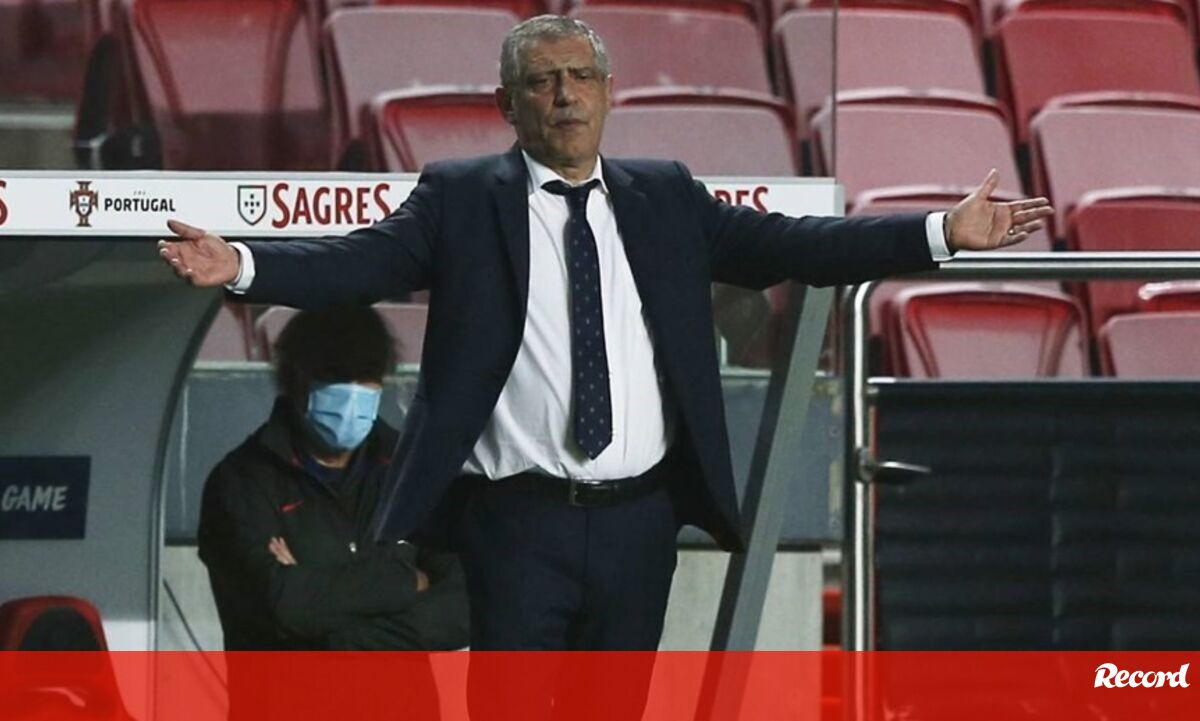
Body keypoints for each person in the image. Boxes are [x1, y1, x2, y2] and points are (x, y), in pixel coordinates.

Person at [165, 14, 1053, 658]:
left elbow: (798, 246)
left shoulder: (664, 196)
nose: (565, 96)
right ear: (507, 104)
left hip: (639, 522)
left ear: (608, 94)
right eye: (542, 82)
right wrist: (241, 262)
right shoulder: (460, 199)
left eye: (581, 77)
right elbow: (356, 264)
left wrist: (938, 232)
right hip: (514, 523)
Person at [196, 306, 468, 719]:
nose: (353, 395)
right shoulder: (241, 482)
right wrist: (407, 579)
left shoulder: (411, 471)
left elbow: (465, 602)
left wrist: (348, 640)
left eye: (366, 378)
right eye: (338, 379)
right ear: (298, 384)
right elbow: (282, 606)